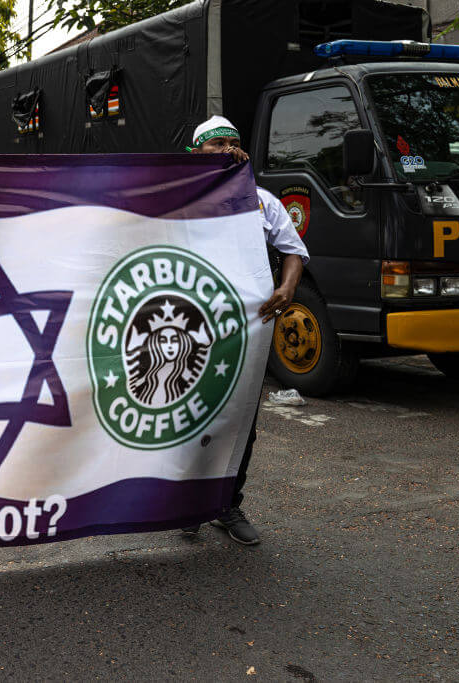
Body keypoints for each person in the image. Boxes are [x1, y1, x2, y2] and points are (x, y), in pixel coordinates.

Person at [184, 115, 309, 545]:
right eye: (214, 145)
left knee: (240, 419)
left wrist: (287, 287)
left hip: (248, 331)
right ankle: (185, 503)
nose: (225, 150)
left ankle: (226, 504)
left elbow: (293, 251)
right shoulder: (182, 199)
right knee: (192, 415)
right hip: (193, 330)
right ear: (196, 153)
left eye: (231, 144)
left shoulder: (262, 201)